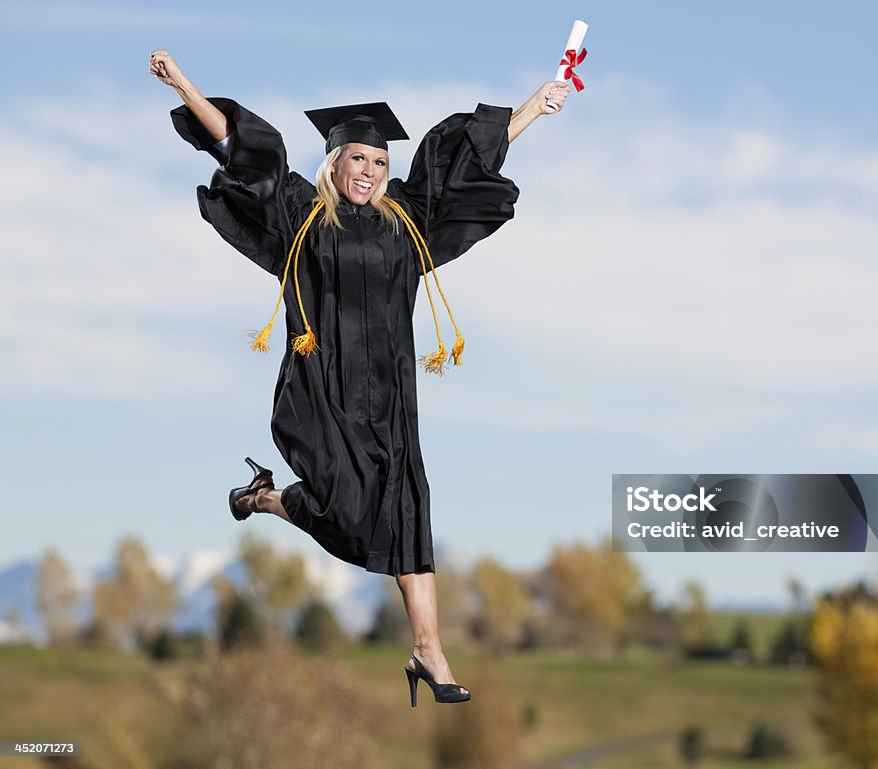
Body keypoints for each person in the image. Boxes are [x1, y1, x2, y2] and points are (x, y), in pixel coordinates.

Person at [151, 49, 568, 706]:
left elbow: (465, 165)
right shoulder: (300, 212)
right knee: (349, 511)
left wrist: (531, 111)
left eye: (379, 162)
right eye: (358, 159)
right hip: (326, 393)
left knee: (407, 512)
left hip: (394, 393)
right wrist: (186, 86)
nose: (370, 171)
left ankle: (429, 649)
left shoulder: (406, 217)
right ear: (334, 162)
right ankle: (265, 497)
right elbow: (240, 151)